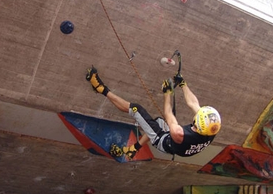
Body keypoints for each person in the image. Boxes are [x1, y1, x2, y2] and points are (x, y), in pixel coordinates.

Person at [85, 66, 221, 159]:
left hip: (163, 140)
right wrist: (183, 84)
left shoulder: (180, 134)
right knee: (157, 123)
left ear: (197, 126)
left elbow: (169, 114)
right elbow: (193, 103)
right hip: (174, 141)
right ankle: (133, 150)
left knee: (136, 109)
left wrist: (167, 93)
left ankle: (101, 89)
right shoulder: (210, 128)